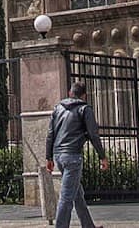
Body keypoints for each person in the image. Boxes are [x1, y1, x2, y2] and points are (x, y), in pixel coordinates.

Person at [45, 80, 108, 228]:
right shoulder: (85, 109)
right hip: (72, 156)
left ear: (70, 93)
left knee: (77, 194)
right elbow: (93, 134)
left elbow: (50, 134)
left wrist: (49, 157)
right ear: (84, 95)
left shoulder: (58, 109)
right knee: (66, 197)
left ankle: (88, 225)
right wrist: (102, 157)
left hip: (58, 155)